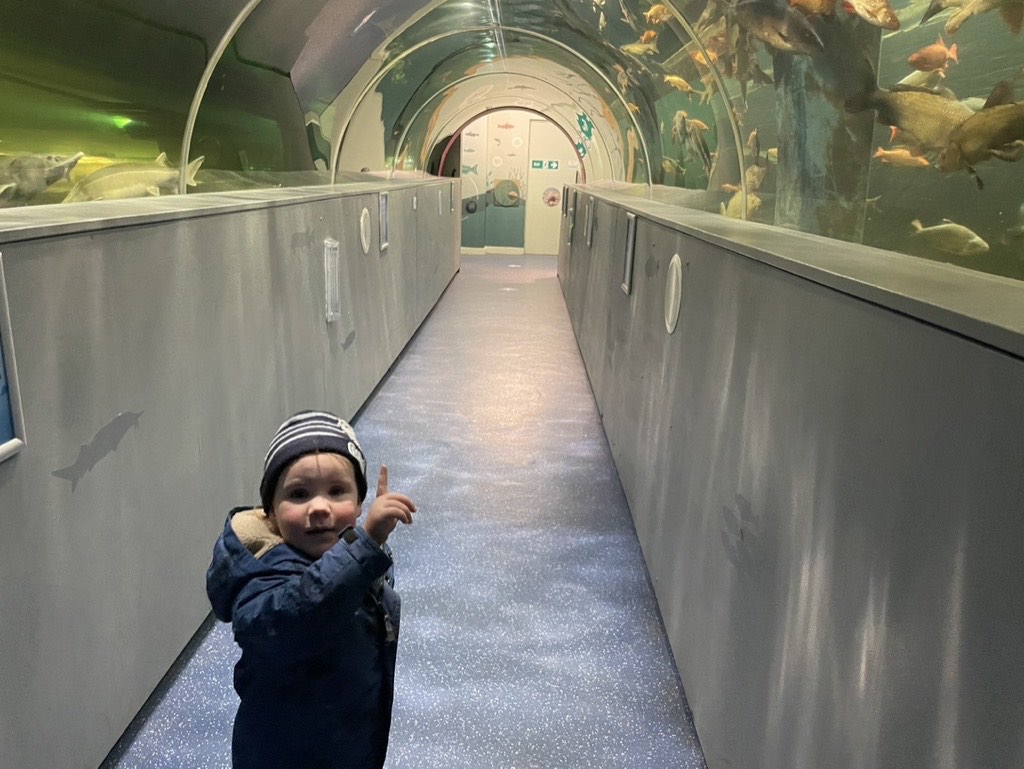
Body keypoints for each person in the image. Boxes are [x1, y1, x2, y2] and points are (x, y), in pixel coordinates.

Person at [206, 410, 417, 769]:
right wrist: (365, 547)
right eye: (299, 494)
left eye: (337, 491)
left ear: (360, 503)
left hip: (346, 736)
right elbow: (300, 615)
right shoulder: (264, 574)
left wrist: (368, 550)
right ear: (270, 513)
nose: (319, 507)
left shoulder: (355, 553)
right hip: (286, 754)